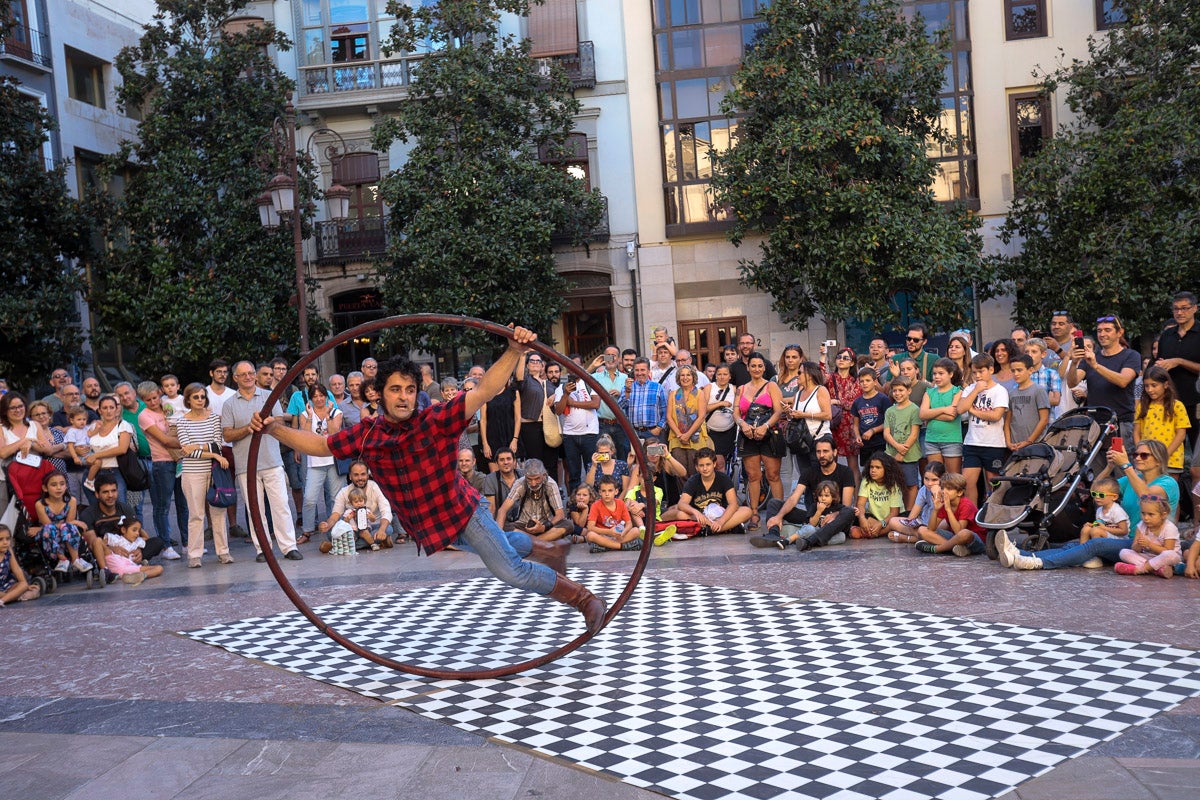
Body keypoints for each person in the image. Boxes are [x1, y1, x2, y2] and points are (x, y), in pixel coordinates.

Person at [250, 329, 607, 633]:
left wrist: (515, 350)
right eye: (395, 389)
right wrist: (275, 429)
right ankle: (548, 549)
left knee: (510, 571)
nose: (403, 396)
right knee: (499, 546)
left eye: (409, 389)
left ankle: (584, 599)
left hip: (463, 513)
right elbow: (320, 443)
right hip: (431, 527)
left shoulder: (435, 419)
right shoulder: (368, 434)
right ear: (379, 393)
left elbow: (483, 392)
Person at [997, 439, 1178, 571]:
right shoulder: (1131, 478)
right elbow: (1096, 489)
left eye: (1144, 455)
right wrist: (1110, 466)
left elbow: (1147, 496)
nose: (1138, 458)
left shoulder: (1167, 483)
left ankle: (1039, 563)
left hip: (1145, 545)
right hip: (1124, 539)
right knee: (1076, 545)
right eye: (1135, 454)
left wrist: (1126, 466)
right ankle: (1020, 555)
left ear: (1158, 459)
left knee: (1094, 545)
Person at [221, 362, 301, 563]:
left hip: (272, 460)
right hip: (245, 465)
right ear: (236, 378)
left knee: (281, 505)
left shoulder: (268, 396)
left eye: (250, 373)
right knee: (255, 509)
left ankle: (289, 546)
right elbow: (227, 434)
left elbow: (280, 422)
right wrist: (248, 428)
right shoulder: (229, 404)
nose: (248, 377)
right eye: (243, 374)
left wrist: (267, 424)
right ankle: (262, 549)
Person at [754, 436, 856, 551]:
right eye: (818, 452)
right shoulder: (809, 472)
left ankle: (810, 540)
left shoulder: (846, 472)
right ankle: (773, 535)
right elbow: (794, 498)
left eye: (826, 451)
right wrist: (779, 517)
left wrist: (834, 515)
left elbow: (847, 505)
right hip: (814, 516)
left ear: (835, 452)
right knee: (774, 503)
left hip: (835, 520)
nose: (821, 455)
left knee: (849, 511)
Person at [173, 382, 233, 568]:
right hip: (192, 472)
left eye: (202, 396)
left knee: (218, 512)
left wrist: (198, 447)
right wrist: (212, 453)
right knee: (196, 514)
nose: (200, 400)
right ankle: (194, 554)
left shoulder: (214, 418)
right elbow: (186, 450)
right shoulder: (182, 421)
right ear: (188, 400)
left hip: (214, 471)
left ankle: (223, 552)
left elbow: (217, 443)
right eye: (196, 397)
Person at [1064, 315, 1141, 443]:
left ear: (1120, 332)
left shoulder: (1131, 355)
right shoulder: (1092, 357)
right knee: (1094, 462)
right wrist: (1074, 363)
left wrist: (1095, 366)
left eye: (1107, 330)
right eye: (1099, 331)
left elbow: (1123, 381)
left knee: (1120, 461)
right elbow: (1072, 383)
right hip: (1095, 423)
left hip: (1120, 423)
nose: (1102, 334)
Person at [732, 354, 784, 527]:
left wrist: (766, 426)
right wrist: (742, 425)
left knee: (773, 475)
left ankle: (778, 514)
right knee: (753, 476)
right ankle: (754, 513)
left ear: (764, 367)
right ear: (748, 368)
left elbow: (778, 411)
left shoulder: (771, 386)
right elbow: (736, 413)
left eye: (760, 366)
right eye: (753, 366)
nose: (756, 369)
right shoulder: (740, 389)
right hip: (748, 435)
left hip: (768, 434)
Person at [136, 381, 183, 559]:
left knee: (183, 504)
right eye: (148, 400)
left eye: (155, 397)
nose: (153, 402)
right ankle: (165, 546)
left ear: (160, 393)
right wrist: (191, 443)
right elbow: (164, 440)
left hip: (179, 459)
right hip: (162, 462)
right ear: (143, 400)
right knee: (162, 506)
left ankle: (187, 543)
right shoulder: (144, 415)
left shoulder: (169, 406)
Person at [956, 354, 1009, 507]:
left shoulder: (1000, 391)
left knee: (994, 483)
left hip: (993, 444)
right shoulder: (971, 389)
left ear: (991, 370)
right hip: (972, 442)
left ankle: (993, 512)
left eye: (981, 372)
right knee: (967, 482)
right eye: (974, 372)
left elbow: (996, 416)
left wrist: (973, 410)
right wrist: (976, 391)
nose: (977, 376)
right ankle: (972, 517)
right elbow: (960, 409)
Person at [664, 447, 753, 535]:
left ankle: (707, 530)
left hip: (721, 515)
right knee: (680, 514)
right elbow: (682, 504)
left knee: (747, 511)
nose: (705, 468)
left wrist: (721, 522)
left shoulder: (724, 478)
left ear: (714, 464)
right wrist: (696, 513)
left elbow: (733, 504)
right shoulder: (693, 481)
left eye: (708, 464)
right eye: (701, 465)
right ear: (696, 467)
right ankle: (728, 527)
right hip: (700, 518)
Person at [299, 384, 344, 543]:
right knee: (310, 498)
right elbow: (303, 435)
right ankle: (307, 531)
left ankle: (336, 529)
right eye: (315, 396)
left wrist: (327, 414)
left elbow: (334, 433)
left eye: (321, 395)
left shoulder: (336, 412)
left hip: (334, 460)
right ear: (310, 399)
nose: (319, 399)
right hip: (314, 461)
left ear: (326, 396)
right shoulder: (305, 414)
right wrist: (311, 416)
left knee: (335, 497)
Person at [1154, 291, 1200, 446]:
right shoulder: (1167, 335)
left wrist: (1179, 361)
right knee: (1170, 451)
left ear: (1195, 308)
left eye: (1185, 308)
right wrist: (1160, 365)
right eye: (1176, 309)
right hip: (1170, 401)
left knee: (1196, 458)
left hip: (1196, 402)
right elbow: (1158, 361)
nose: (1180, 312)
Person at [318, 460, 394, 551]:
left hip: (373, 527)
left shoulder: (375, 487)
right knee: (331, 532)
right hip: (353, 528)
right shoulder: (344, 492)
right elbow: (335, 515)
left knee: (388, 529)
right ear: (350, 476)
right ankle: (376, 542)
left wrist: (381, 530)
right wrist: (327, 525)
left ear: (368, 475)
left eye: (363, 474)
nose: (360, 478)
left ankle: (336, 546)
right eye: (356, 475)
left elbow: (386, 511)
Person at [492, 459, 570, 540]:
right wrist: (499, 537)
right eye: (529, 479)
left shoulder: (550, 484)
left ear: (543, 475)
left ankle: (533, 542)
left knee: (568, 524)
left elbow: (560, 514)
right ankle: (542, 541)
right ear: (525, 476)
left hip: (545, 525)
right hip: (524, 526)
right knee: (504, 526)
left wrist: (544, 527)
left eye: (537, 479)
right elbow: (503, 510)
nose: (533, 483)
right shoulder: (520, 483)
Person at [1133, 365, 1189, 475]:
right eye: (1146, 386)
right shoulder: (1142, 406)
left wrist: (1164, 456)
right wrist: (1142, 453)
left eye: (1154, 385)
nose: (1150, 390)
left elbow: (1181, 434)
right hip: (1146, 460)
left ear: (1166, 384)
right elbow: (1136, 432)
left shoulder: (1177, 406)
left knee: (1167, 490)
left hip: (1170, 460)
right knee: (1144, 491)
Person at [914, 472, 985, 556]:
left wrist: (948, 509)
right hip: (955, 539)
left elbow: (959, 531)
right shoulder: (944, 503)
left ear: (959, 492)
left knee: (964, 533)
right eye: (943, 488)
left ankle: (937, 549)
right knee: (922, 530)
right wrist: (936, 509)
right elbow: (931, 528)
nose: (944, 491)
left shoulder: (966, 505)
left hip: (974, 540)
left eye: (949, 489)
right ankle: (955, 549)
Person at [33, 471, 90, 575]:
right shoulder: (40, 504)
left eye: (62, 484)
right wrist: (75, 522)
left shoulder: (71, 501)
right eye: (54, 485)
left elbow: (68, 523)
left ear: (66, 486)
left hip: (67, 537)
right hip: (50, 539)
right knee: (49, 528)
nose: (59, 488)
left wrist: (72, 522)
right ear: (45, 488)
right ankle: (62, 559)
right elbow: (48, 525)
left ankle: (76, 559)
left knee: (67, 526)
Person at [553, 370, 599, 492]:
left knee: (593, 470)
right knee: (574, 474)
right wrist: (566, 394)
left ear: (582, 367)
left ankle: (593, 501)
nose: (574, 369)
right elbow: (558, 410)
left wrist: (573, 403)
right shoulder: (561, 387)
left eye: (577, 366)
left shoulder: (590, 383)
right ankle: (575, 503)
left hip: (590, 433)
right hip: (570, 435)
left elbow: (596, 403)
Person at [515, 351, 560, 475]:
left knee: (551, 463)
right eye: (532, 361)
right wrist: (523, 355)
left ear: (542, 366)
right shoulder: (525, 381)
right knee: (535, 463)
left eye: (538, 361)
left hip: (548, 425)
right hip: (530, 427)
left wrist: (555, 395)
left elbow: (561, 393)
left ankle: (552, 490)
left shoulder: (547, 383)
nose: (535, 363)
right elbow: (518, 378)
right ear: (527, 365)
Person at [82, 395, 134, 502]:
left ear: (116, 409)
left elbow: (122, 449)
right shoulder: (94, 427)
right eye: (105, 408)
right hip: (93, 473)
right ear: (99, 411)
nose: (108, 411)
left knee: (119, 507)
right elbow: (84, 445)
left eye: (111, 407)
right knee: (96, 509)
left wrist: (96, 455)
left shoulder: (123, 425)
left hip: (115, 472)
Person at [1114, 495, 1180, 578]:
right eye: (1143, 513)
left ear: (1163, 515)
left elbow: (1168, 550)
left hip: (1168, 559)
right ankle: (1156, 569)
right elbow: (1134, 549)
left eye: (1150, 514)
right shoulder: (1141, 525)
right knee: (1124, 552)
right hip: (1149, 557)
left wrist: (1149, 545)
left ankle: (1140, 569)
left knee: (1170, 554)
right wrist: (1139, 544)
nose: (1145, 518)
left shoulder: (1169, 528)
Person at [786, 360, 832, 476]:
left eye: (800, 372)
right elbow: (794, 417)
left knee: (821, 477)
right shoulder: (799, 393)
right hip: (802, 441)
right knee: (805, 477)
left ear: (810, 375)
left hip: (819, 438)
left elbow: (828, 415)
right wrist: (789, 413)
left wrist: (804, 415)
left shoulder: (820, 390)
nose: (797, 375)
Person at [666, 364, 712, 476]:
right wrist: (679, 435)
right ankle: (682, 494)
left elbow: (701, 416)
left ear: (693, 377)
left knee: (695, 471)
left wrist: (687, 435)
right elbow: (669, 417)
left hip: (695, 438)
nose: (685, 378)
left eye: (688, 375)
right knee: (680, 472)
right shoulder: (673, 394)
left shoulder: (700, 394)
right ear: (678, 377)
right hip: (677, 439)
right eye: (682, 375)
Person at [882, 376, 921, 509]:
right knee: (893, 485)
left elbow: (914, 433)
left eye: (901, 390)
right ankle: (896, 511)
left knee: (910, 484)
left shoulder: (914, 409)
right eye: (894, 390)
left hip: (909, 455)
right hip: (892, 454)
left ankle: (909, 512)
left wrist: (903, 451)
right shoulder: (890, 411)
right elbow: (886, 433)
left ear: (909, 390)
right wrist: (898, 447)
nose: (897, 393)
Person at [772, 481, 845, 550]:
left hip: (824, 534)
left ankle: (807, 542)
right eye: (820, 495)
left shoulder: (837, 507)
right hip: (813, 530)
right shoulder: (814, 506)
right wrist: (819, 511)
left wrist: (855, 511)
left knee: (842, 536)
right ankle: (787, 541)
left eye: (826, 496)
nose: (823, 498)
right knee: (810, 529)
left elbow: (847, 513)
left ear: (834, 497)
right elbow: (812, 523)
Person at [920, 358, 963, 475]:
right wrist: (944, 409)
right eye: (934, 374)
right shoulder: (929, 392)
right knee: (935, 476)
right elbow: (922, 414)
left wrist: (931, 415)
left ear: (951, 374)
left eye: (941, 373)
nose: (936, 377)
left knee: (953, 477)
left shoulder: (957, 392)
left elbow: (951, 416)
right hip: (931, 440)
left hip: (951, 440)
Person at [884, 462, 945, 543]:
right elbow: (912, 516)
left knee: (944, 525)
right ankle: (927, 537)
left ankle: (909, 538)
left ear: (943, 478)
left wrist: (937, 494)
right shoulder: (923, 490)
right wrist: (912, 523)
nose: (929, 483)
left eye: (934, 480)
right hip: (923, 525)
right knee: (893, 521)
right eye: (926, 479)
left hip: (938, 525)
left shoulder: (948, 490)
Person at [826, 348, 863, 483]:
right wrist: (822, 355)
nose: (841, 359)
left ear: (852, 363)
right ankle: (833, 497)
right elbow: (818, 376)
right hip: (832, 423)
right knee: (830, 462)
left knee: (853, 466)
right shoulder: (830, 378)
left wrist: (836, 401)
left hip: (850, 426)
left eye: (845, 358)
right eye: (839, 357)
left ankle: (856, 500)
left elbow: (854, 404)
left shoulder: (856, 381)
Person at [852, 452, 904, 539]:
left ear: (886, 469)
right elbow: (860, 504)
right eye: (871, 467)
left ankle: (874, 533)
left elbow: (894, 512)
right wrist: (862, 518)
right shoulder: (866, 480)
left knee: (896, 522)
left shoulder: (893, 484)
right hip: (873, 517)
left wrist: (881, 524)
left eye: (878, 467)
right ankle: (872, 530)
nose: (873, 470)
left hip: (890, 519)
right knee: (856, 515)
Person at [1005, 355, 1051, 452]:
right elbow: (1008, 421)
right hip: (1015, 445)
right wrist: (1008, 442)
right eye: (1013, 371)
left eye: (1019, 370)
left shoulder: (1038, 390)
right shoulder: (1011, 393)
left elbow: (1044, 419)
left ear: (1030, 370)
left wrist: (1029, 441)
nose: (1016, 374)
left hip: (1036, 444)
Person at [102, 515, 164, 585]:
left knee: (159, 568)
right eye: (134, 530)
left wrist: (139, 527)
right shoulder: (117, 539)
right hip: (118, 564)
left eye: (138, 531)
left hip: (131, 567)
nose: (137, 533)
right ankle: (139, 574)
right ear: (123, 530)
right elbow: (101, 543)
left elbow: (146, 538)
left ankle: (141, 575)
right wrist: (112, 548)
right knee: (158, 568)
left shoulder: (137, 542)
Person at [585, 475, 641, 552]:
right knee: (590, 535)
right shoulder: (595, 505)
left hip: (619, 535)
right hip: (604, 535)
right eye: (604, 491)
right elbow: (590, 527)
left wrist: (622, 533)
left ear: (616, 491)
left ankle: (606, 546)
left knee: (636, 531)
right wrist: (609, 532)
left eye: (610, 490)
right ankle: (621, 546)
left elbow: (629, 524)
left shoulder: (621, 503)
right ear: (600, 492)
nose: (607, 494)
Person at [850, 368, 891, 473]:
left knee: (882, 470)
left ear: (874, 381)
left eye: (868, 380)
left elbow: (889, 422)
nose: (864, 383)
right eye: (862, 381)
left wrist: (873, 430)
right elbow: (855, 424)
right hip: (865, 445)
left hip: (880, 443)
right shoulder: (857, 402)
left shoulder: (883, 399)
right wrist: (858, 436)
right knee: (868, 472)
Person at [620, 358, 666, 442]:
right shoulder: (627, 387)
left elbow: (666, 411)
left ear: (648, 371)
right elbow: (620, 407)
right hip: (634, 433)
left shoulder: (658, 387)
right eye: (637, 370)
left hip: (653, 433)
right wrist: (627, 391)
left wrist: (659, 428)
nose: (639, 373)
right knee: (634, 455)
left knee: (655, 455)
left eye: (642, 370)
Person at [705, 365, 737, 472]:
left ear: (730, 376)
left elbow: (738, 409)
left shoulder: (734, 389)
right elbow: (704, 409)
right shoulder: (709, 387)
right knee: (719, 463)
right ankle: (722, 487)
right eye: (719, 374)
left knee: (725, 460)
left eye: (725, 374)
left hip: (729, 430)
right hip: (712, 431)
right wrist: (721, 404)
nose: (722, 377)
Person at [1079, 477, 1129, 543]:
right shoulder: (1099, 510)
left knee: (1096, 531)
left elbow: (1124, 531)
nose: (1097, 497)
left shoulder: (1117, 511)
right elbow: (1100, 524)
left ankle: (1097, 551)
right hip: (1107, 534)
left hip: (1120, 539)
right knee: (1086, 529)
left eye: (1101, 495)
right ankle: (1083, 550)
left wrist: (1103, 528)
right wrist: (1093, 525)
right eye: (1094, 494)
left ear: (1114, 497)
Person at [0, 524, 37, 606]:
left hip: (7, 586)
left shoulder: (8, 551)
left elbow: (16, 569)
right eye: (1, 539)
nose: (5, 542)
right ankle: (14, 597)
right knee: (29, 593)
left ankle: (3, 600)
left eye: (7, 539)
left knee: (25, 585)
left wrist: (25, 585)